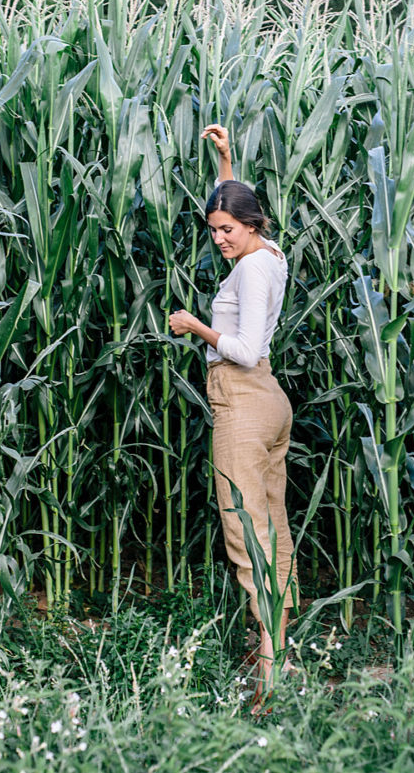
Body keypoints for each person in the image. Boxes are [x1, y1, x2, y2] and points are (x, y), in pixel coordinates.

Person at [168, 124, 297, 707]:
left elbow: (243, 349)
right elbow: (235, 204)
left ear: (250, 225)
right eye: (214, 229)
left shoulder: (248, 268)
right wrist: (226, 163)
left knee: (245, 533)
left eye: (226, 230)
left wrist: (194, 326)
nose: (218, 238)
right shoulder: (270, 254)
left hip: (242, 400)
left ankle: (268, 673)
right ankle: (279, 651)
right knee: (273, 527)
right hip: (270, 404)